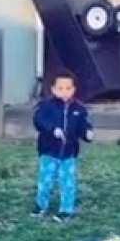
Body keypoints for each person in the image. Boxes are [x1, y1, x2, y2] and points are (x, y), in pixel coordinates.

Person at [32, 70, 94, 222]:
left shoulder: (79, 109)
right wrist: (52, 129)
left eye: (68, 88)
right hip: (49, 151)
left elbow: (82, 125)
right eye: (60, 88)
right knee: (45, 180)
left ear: (73, 90)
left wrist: (87, 133)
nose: (64, 92)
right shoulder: (46, 106)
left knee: (68, 182)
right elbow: (39, 121)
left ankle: (66, 210)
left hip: (69, 153)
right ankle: (41, 205)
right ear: (53, 89)